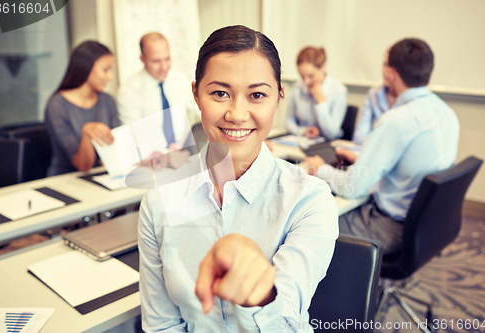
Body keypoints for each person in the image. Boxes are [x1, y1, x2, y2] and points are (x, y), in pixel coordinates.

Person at [138, 25, 338, 332]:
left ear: (278, 98)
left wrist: (258, 294)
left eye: (257, 95)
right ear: (196, 95)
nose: (236, 113)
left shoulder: (309, 200)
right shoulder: (159, 201)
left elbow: (285, 324)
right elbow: (162, 324)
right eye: (220, 93)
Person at [305, 38, 460, 255]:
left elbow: (353, 187)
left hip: (390, 228)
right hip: (428, 227)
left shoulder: (396, 120)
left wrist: (319, 168)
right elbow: (413, 165)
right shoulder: (447, 114)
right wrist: (364, 161)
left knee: (309, 219)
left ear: (392, 74)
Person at [45, 41, 120, 176]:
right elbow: (83, 166)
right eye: (105, 69)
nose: (110, 76)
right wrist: (87, 133)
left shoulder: (107, 101)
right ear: (87, 66)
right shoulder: (57, 105)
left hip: (100, 175)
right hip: (65, 179)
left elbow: (117, 147)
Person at [117, 32, 198, 148]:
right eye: (156, 61)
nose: (164, 67)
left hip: (186, 152)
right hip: (153, 160)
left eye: (167, 59)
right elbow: (133, 139)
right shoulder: (128, 91)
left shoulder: (180, 79)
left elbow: (196, 113)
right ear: (142, 59)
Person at [284, 47, 348, 141]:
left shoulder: (339, 90)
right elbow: (288, 121)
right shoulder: (297, 88)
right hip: (302, 141)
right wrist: (303, 131)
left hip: (325, 146)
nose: (306, 81)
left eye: (311, 75)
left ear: (322, 67)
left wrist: (321, 103)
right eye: (302, 76)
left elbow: (332, 134)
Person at [352, 48, 396, 145]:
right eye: (385, 65)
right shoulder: (374, 94)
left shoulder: (408, 100)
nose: (387, 71)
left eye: (392, 67)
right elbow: (359, 137)